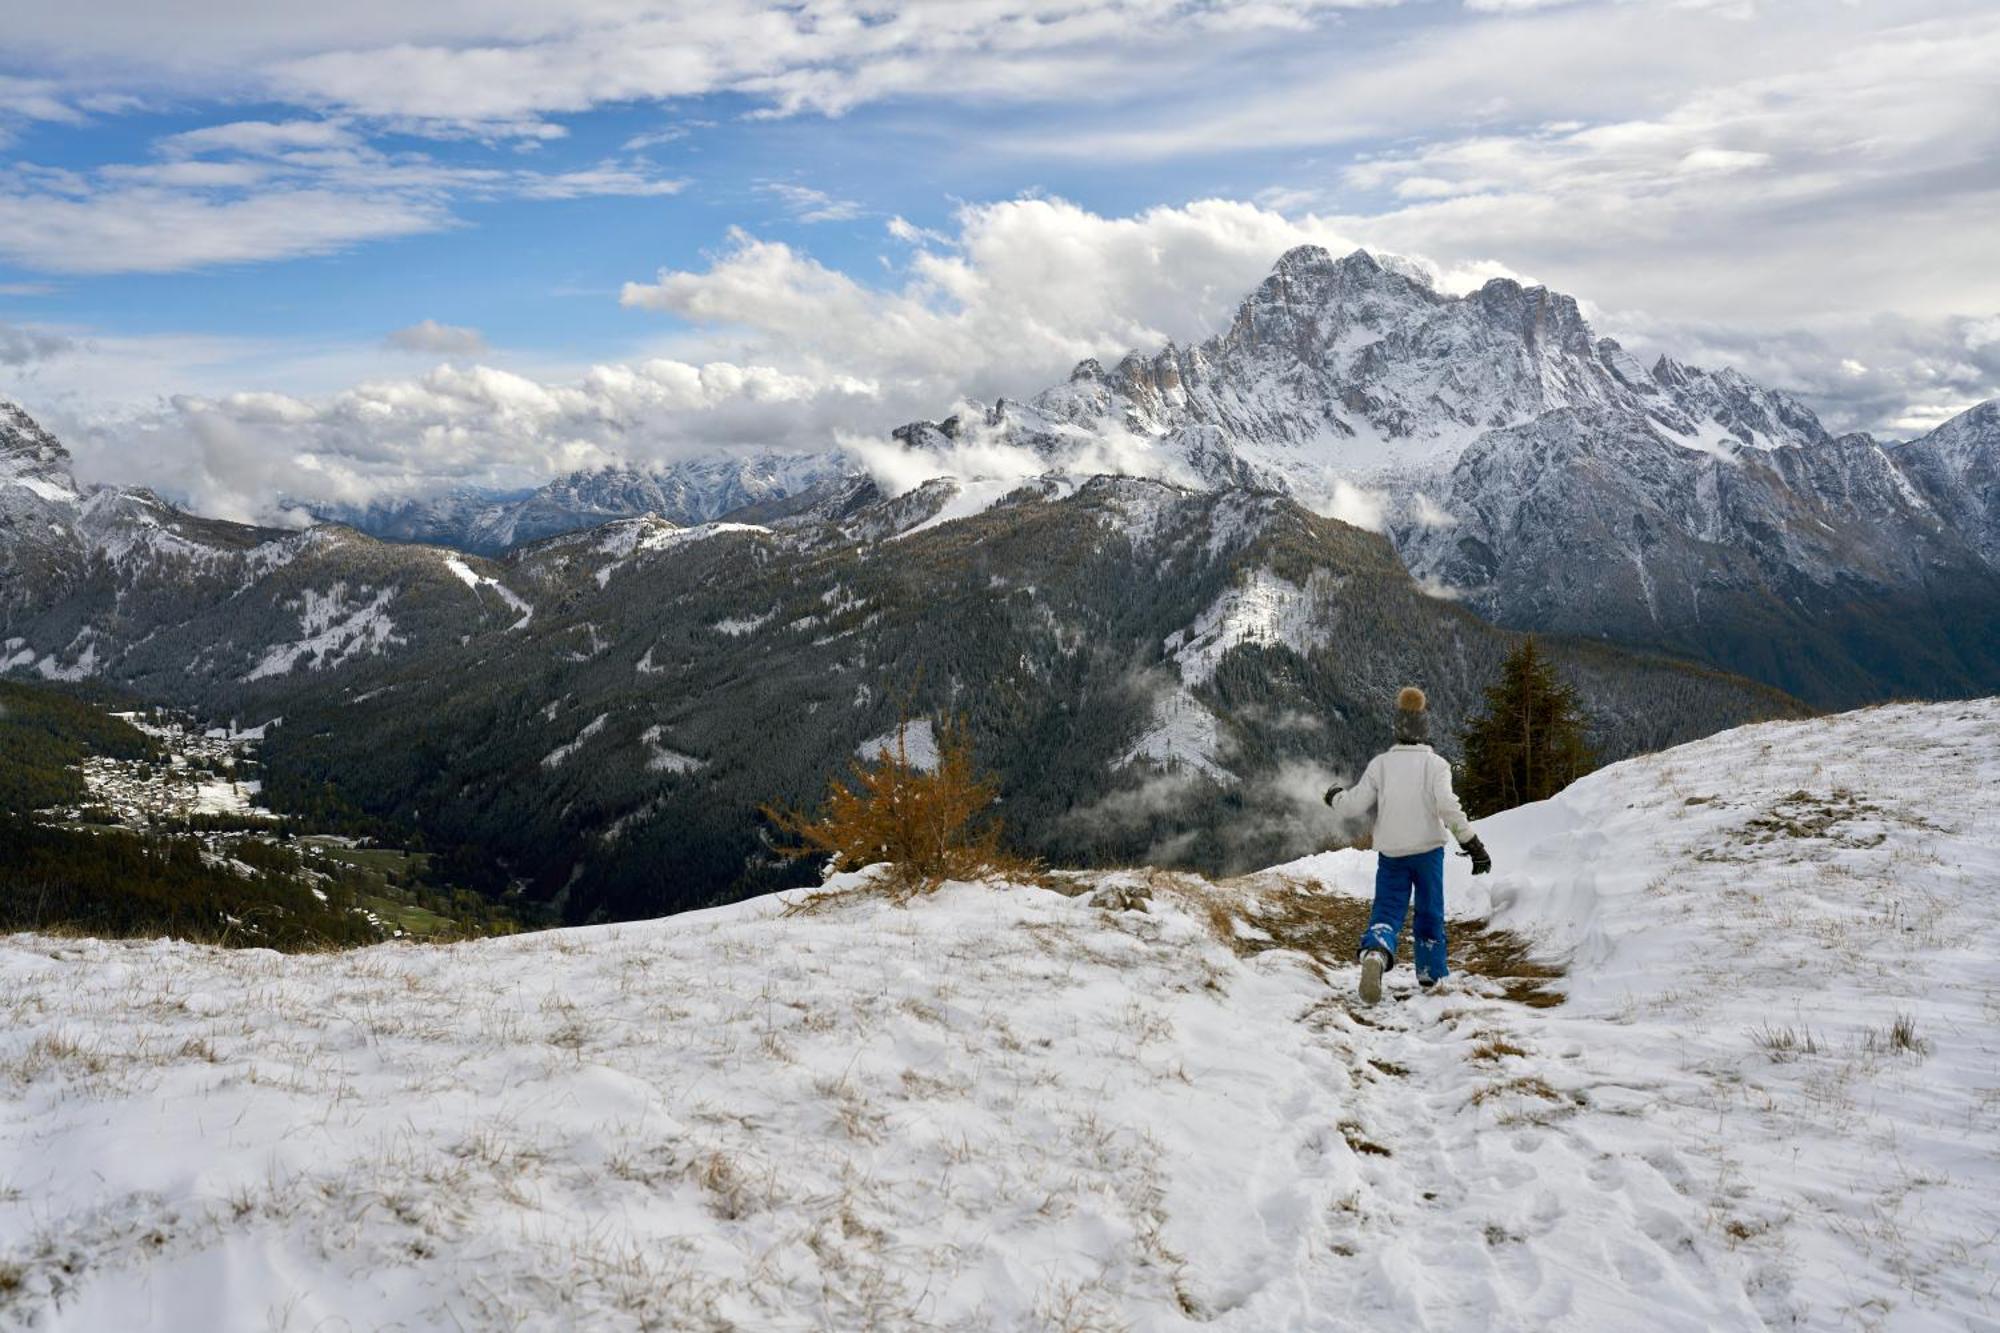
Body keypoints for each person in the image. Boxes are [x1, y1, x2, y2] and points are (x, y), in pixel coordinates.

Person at [1323, 686, 1491, 1004]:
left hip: (1392, 853)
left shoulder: (1381, 765)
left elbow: (1353, 806)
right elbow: (1447, 806)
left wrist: (1334, 796)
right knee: (1429, 912)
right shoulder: (1437, 766)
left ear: (1397, 729)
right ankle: (1431, 975)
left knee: (1387, 910)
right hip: (1428, 852)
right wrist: (1472, 844)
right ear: (1425, 730)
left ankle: (1375, 952)